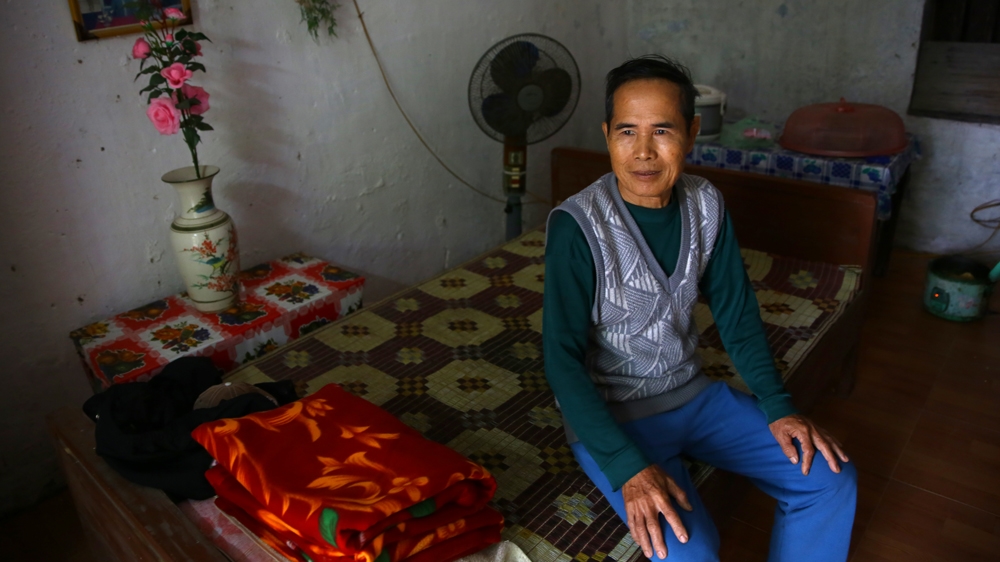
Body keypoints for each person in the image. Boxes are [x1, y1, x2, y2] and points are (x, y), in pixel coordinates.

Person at [542, 55, 857, 561]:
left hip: (694, 396)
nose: (644, 152)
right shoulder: (577, 227)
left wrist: (779, 406)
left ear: (690, 133)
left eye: (662, 130)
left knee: (829, 478)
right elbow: (561, 358)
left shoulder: (705, 204)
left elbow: (736, 311)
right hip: (614, 416)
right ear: (607, 136)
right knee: (691, 552)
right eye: (627, 131)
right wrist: (626, 466)